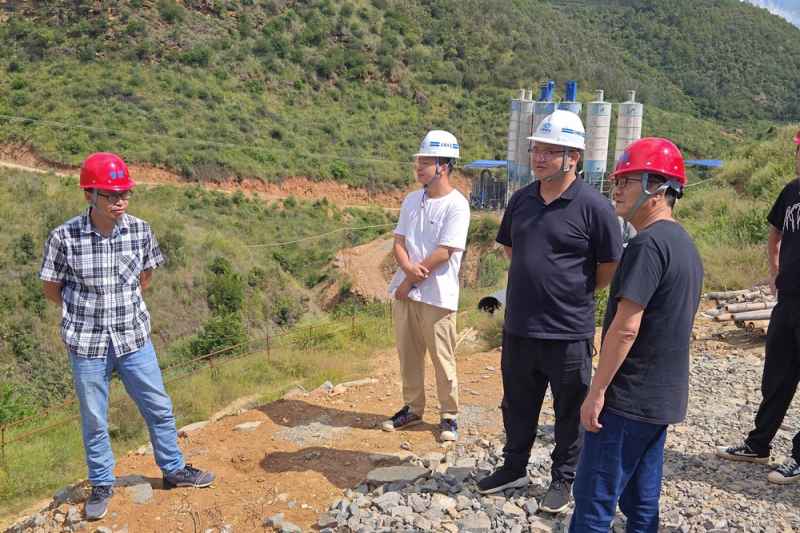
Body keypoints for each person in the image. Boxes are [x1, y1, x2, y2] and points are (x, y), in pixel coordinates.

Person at [40, 153, 215, 521]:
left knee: (159, 406)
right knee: (94, 418)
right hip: (87, 343)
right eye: (111, 195)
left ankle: (173, 470)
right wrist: (86, 314)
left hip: (133, 338)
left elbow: (144, 280)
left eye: (125, 193)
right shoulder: (64, 237)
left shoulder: (140, 230)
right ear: (89, 195)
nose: (120, 201)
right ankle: (103, 483)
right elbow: (52, 289)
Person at [476, 110, 623, 514]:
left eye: (548, 151)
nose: (538, 158)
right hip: (520, 327)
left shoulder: (595, 206)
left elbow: (608, 267)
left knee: (569, 410)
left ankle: (563, 478)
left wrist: (570, 290)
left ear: (573, 157)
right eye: (535, 150)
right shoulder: (522, 199)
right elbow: (513, 248)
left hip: (568, 332)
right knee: (516, 404)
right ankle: (514, 467)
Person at [569, 138, 703, 531]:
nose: (617, 189)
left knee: (594, 505)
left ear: (657, 188)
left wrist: (596, 392)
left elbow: (626, 328)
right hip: (660, 400)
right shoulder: (684, 244)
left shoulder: (647, 244)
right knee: (642, 504)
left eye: (626, 181)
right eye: (617, 180)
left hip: (627, 401)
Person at [716, 129, 800, 485]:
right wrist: (775, 271)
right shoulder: (792, 190)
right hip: (788, 298)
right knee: (776, 376)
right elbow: (775, 230)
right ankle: (758, 444)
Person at [383, 131, 470, 442]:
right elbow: (399, 240)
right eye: (418, 161)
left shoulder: (457, 205)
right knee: (408, 355)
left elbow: (444, 252)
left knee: (442, 358)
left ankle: (448, 416)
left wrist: (408, 279)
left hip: (437, 295)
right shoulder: (412, 199)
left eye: (425, 161)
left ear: (443, 166)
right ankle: (413, 409)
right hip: (406, 291)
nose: (418, 167)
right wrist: (406, 268)